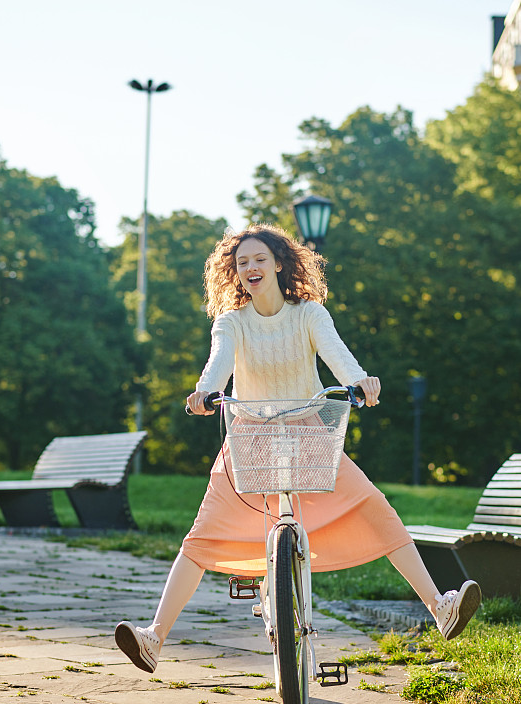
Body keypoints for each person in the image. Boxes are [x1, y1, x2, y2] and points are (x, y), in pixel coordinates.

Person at [115, 223, 481, 673]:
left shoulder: (309, 314)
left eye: (259, 259)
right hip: (249, 438)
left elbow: (337, 354)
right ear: (234, 273)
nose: (250, 268)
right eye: (242, 262)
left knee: (374, 507)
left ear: (279, 264)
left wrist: (358, 382)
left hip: (309, 434)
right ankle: (155, 637)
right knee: (202, 536)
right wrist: (203, 393)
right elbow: (218, 365)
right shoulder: (230, 322)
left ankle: (439, 608)